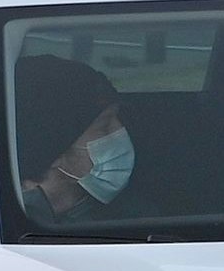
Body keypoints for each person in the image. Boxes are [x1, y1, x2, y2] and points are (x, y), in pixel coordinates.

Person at [13, 55, 139, 222]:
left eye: (119, 119)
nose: (121, 131)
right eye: (104, 126)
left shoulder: (133, 214)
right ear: (53, 150)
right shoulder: (5, 222)